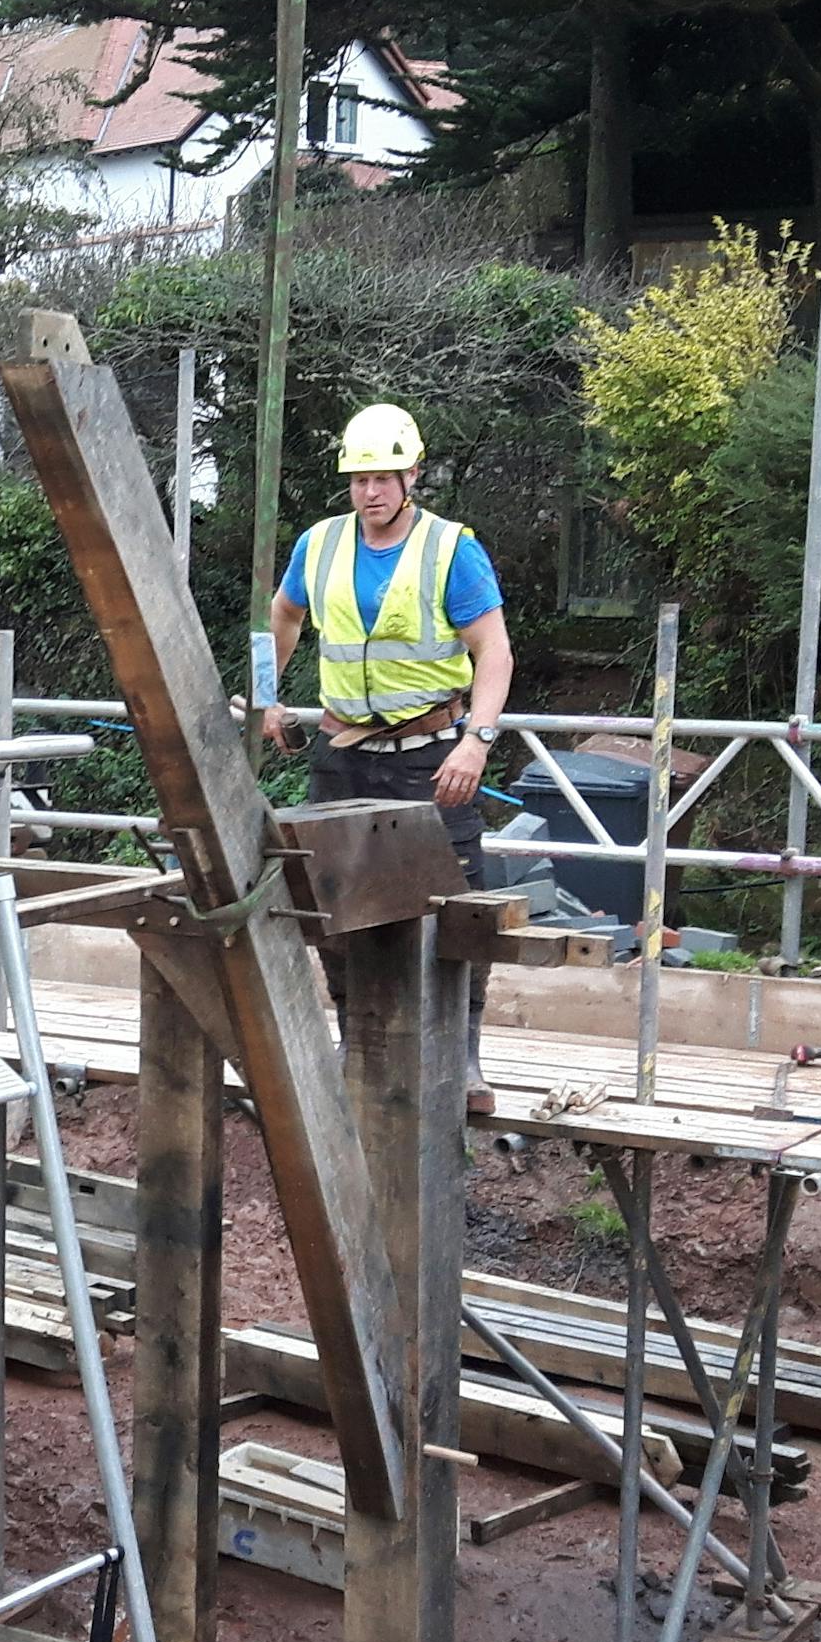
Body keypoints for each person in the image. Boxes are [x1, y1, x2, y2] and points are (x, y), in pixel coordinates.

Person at [263, 400, 516, 1111]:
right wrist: (264, 695)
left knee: (456, 907)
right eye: (358, 479)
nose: (369, 492)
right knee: (330, 904)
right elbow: (281, 616)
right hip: (345, 752)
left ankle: (462, 1059)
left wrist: (478, 739)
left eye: (382, 478)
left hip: (431, 753)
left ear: (411, 476)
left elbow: (493, 651)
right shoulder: (320, 546)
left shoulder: (450, 549)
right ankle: (357, 1039)